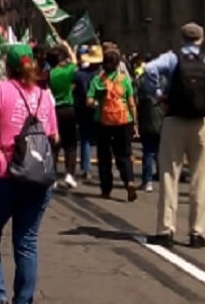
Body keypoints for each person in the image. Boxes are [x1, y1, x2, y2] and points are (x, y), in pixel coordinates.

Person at [0, 44, 58, 304]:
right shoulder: (45, 95)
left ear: (7, 67)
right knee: (27, 243)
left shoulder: (1, 89)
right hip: (38, 177)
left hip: (3, 173)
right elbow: (53, 136)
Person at [143, 22, 205, 248]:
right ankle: (198, 232)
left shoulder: (172, 57)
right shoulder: (204, 58)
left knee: (170, 174)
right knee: (201, 178)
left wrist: (159, 94)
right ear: (201, 39)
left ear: (182, 38)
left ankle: (165, 229)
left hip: (174, 120)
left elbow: (150, 69)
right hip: (200, 122)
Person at [87, 48, 138, 202]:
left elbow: (88, 101)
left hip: (103, 121)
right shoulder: (124, 79)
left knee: (104, 156)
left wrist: (99, 104)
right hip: (124, 120)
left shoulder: (98, 80)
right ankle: (129, 180)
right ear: (118, 64)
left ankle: (106, 189)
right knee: (124, 154)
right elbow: (131, 103)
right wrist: (135, 122)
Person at [46, 45, 79, 189]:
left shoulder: (48, 74)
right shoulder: (67, 71)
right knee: (71, 145)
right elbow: (75, 62)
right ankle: (69, 174)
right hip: (68, 108)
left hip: (53, 110)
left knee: (54, 145)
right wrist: (68, 47)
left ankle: (52, 176)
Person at [134, 55, 163, 194]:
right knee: (161, 150)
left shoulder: (141, 81)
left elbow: (135, 100)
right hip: (163, 120)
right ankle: (163, 176)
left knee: (148, 151)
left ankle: (147, 181)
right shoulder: (165, 80)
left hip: (146, 120)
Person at [72, 45, 102, 181]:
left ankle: (86, 168)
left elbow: (72, 90)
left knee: (85, 139)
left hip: (83, 109)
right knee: (102, 140)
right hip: (101, 109)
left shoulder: (79, 74)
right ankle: (103, 168)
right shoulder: (103, 75)